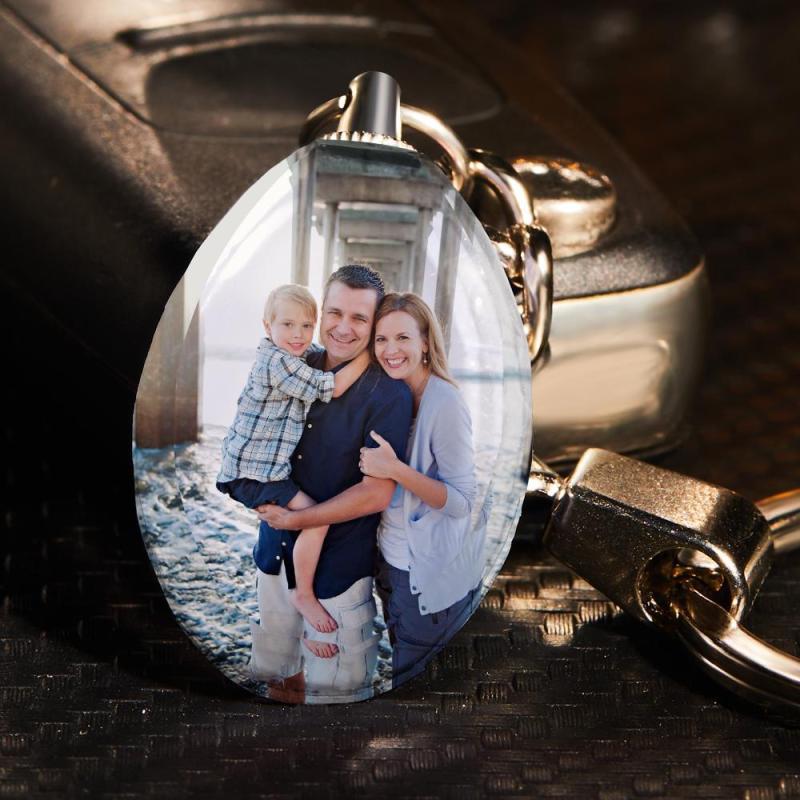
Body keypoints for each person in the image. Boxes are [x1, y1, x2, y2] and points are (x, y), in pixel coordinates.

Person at [254, 266, 413, 703]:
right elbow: (255, 436)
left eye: (359, 318)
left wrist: (298, 519)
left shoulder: (388, 394)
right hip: (273, 555)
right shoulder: (292, 365)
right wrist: (254, 494)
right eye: (335, 313)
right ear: (321, 312)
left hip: (338, 575)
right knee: (280, 682)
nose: (344, 328)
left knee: (336, 699)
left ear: (375, 323)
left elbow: (377, 493)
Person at [216, 284, 370, 634]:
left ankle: (299, 594)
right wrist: (367, 353)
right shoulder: (277, 362)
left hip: (257, 471)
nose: (298, 334)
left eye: (306, 326)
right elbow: (331, 386)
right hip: (253, 475)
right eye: (288, 325)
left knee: (310, 517)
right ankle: (303, 593)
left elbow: (320, 353)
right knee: (318, 518)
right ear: (267, 326)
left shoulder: (293, 353)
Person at [359, 292, 484, 687]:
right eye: (381, 339)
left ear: (426, 342)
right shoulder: (391, 394)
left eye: (403, 338)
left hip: (425, 576)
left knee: (416, 690)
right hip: (391, 563)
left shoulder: (445, 403)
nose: (390, 350)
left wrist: (395, 469)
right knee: (401, 668)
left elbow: (461, 502)